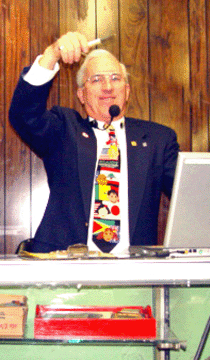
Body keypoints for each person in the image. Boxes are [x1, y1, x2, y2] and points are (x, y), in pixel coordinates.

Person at [9, 31, 179, 254]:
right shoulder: (64, 129)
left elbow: (191, 194)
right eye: (97, 79)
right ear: (82, 94)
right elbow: (24, 115)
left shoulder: (158, 139)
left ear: (127, 91)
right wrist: (51, 55)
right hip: (67, 266)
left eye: (115, 79)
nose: (108, 87)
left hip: (136, 271)